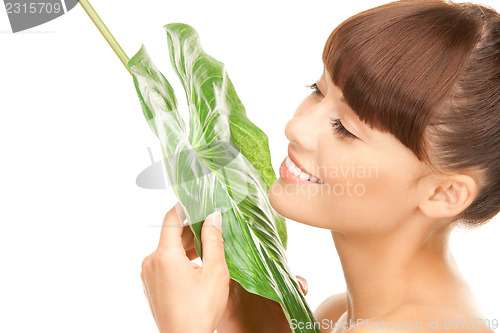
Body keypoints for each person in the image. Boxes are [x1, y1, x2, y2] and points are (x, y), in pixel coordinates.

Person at [140, 0, 500, 332]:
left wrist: (184, 326)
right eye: (317, 89)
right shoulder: (338, 315)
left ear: (444, 192)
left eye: (345, 128)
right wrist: (246, 321)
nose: (296, 127)